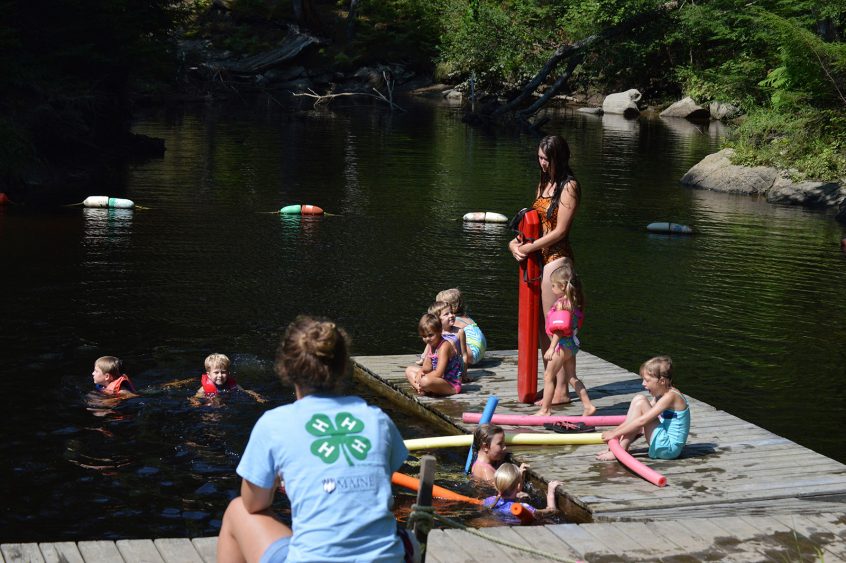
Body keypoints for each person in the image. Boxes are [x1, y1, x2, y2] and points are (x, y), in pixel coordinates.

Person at [218, 315, 417, 563]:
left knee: (237, 509)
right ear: (344, 365)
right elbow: (372, 484)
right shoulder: (377, 419)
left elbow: (253, 504)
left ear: (286, 369)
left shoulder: (274, 424)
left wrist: (279, 481)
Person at [508, 135, 580, 406]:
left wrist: (529, 249)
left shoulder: (569, 186)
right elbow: (534, 220)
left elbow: (560, 230)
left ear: (558, 158)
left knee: (556, 329)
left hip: (557, 262)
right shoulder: (543, 182)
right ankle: (551, 383)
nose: (541, 163)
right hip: (538, 257)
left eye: (546, 159)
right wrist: (517, 242)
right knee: (541, 328)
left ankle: (561, 391)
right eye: (539, 158)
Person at [596, 356, 690, 461]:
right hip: (664, 444)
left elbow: (642, 420)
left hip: (668, 449)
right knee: (639, 400)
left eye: (647, 380)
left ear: (662, 381)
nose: (643, 384)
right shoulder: (662, 394)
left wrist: (614, 434)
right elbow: (638, 416)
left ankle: (621, 450)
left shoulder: (670, 396)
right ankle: (618, 448)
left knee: (640, 400)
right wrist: (615, 432)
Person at [534, 261, 596, 417]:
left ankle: (545, 409)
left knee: (549, 376)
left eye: (553, 285)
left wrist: (551, 347)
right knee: (571, 377)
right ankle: (588, 406)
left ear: (562, 287)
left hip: (561, 346)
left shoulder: (561, 305)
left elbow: (560, 330)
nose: (552, 289)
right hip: (572, 345)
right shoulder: (574, 302)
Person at [482, 463, 561, 524]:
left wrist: (520, 476)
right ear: (519, 485)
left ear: (495, 485)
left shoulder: (489, 501)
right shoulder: (524, 508)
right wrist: (551, 491)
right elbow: (551, 511)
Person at [405, 313, 462, 396]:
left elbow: (439, 373)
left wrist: (422, 378)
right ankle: (421, 388)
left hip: (450, 383)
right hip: (437, 379)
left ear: (439, 331)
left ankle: (421, 387)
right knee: (409, 370)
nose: (427, 339)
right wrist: (420, 372)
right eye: (424, 336)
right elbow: (427, 368)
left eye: (430, 335)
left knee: (425, 381)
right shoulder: (432, 344)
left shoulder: (444, 346)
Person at [435, 288, 487, 365]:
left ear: (451, 307)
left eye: (440, 305)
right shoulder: (465, 317)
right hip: (480, 352)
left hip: (472, 354)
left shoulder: (454, 320)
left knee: (440, 335)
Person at [195, 353, 265, 402]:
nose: (220, 375)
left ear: (228, 373)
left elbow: (246, 391)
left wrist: (257, 397)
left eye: (223, 372)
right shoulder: (203, 389)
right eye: (216, 372)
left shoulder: (233, 385)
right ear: (209, 375)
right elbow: (195, 397)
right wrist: (196, 402)